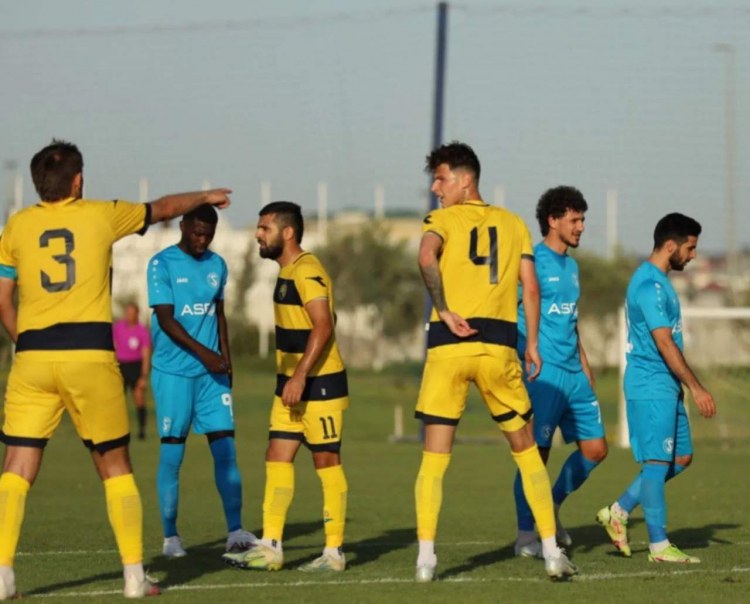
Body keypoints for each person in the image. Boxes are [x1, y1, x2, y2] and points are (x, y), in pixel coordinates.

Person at [0, 139, 231, 599]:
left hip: (32, 357)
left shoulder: (16, 225)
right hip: (88, 354)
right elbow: (163, 208)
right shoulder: (100, 215)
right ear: (78, 181)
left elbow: (3, 300)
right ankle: (133, 577)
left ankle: (3, 575)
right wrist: (205, 196)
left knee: (16, 466)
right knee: (115, 465)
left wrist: (25, 343)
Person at [413, 142, 577, 583]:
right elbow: (531, 287)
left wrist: (443, 309)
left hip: (448, 347)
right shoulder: (513, 223)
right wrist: (533, 344)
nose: (435, 188)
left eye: (441, 178)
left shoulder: (441, 220)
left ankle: (426, 560)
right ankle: (551, 552)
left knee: (434, 458)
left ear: (466, 180)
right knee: (526, 452)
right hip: (498, 349)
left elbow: (426, 256)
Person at [223, 201, 349, 573]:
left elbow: (324, 324)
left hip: (320, 384)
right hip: (290, 385)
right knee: (276, 455)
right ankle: (271, 546)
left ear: (288, 232)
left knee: (326, 461)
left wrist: (300, 375)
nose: (258, 234)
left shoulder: (307, 270)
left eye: (265, 228)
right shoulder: (287, 272)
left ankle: (334, 552)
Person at [597, 213, 716, 564]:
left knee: (680, 458)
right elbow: (664, 343)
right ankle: (659, 546)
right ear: (670, 245)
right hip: (651, 385)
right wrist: (696, 387)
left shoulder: (660, 282)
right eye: (690, 248)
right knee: (656, 463)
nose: (693, 255)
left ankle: (618, 511)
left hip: (666, 386)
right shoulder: (648, 286)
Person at [148, 203, 255, 559]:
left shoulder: (217, 264)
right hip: (173, 373)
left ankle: (236, 532)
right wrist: (205, 353)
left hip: (212, 378)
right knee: (173, 454)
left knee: (226, 451)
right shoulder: (161, 264)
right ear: (183, 226)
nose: (202, 240)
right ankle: (171, 537)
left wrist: (226, 360)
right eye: (197, 233)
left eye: (208, 235)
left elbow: (219, 314)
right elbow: (166, 320)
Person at [513, 186, 607, 557]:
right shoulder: (530, 262)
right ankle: (525, 537)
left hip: (574, 373)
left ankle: (549, 505)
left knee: (596, 449)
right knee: (536, 456)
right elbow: (508, 314)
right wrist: (525, 352)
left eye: (582, 219)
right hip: (544, 375)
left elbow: (570, 319)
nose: (581, 227)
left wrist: (584, 362)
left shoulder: (573, 266)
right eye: (574, 220)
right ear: (553, 221)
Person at [114, 302, 152, 440]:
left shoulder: (142, 331)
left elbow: (146, 354)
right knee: (117, 400)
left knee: (139, 398)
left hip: (136, 366)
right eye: (127, 313)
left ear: (137, 314)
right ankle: (117, 430)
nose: (129, 315)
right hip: (121, 366)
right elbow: (113, 347)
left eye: (132, 313)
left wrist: (143, 376)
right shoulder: (118, 328)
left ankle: (142, 430)